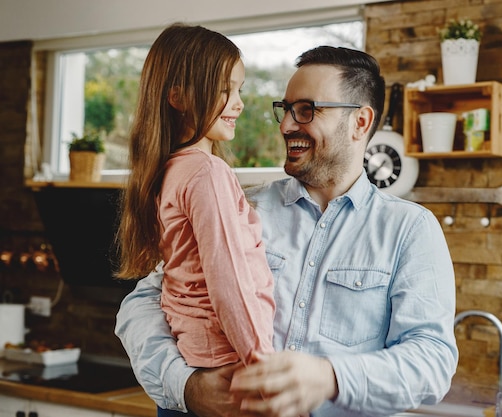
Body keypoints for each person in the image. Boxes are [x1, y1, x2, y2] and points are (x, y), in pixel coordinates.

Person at [116, 45, 458, 417]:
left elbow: (432, 362)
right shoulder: (242, 206)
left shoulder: (410, 230)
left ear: (360, 122)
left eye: (307, 110)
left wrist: (330, 376)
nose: (286, 125)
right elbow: (143, 304)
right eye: (286, 109)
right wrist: (185, 385)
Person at [115, 23, 275, 416]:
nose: (238, 103)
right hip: (229, 370)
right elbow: (231, 284)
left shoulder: (170, 169)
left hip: (194, 361)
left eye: (239, 90)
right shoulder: (207, 173)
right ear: (179, 97)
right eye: (225, 90)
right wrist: (267, 374)